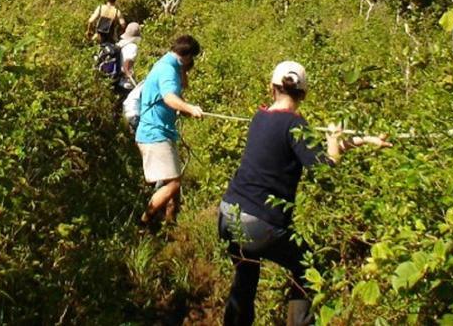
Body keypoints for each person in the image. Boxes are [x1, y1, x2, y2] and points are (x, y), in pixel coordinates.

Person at [217, 61, 390, 326]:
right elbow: (324, 169)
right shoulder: (296, 125)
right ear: (304, 95)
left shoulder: (260, 116)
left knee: (246, 275)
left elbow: (311, 150)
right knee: (308, 268)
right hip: (259, 224)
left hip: (228, 214)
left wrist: (364, 140)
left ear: (271, 88)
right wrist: (333, 145)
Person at [135, 35, 203, 227]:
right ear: (188, 55)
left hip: (158, 132)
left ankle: (170, 223)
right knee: (174, 184)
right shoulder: (168, 70)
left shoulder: (167, 64)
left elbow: (179, 91)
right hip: (155, 134)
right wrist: (190, 108)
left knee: (172, 182)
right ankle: (144, 223)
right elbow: (169, 98)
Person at [117, 22, 142, 87]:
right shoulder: (132, 47)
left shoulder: (121, 44)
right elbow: (127, 63)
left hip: (119, 81)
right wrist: (130, 77)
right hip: (127, 84)